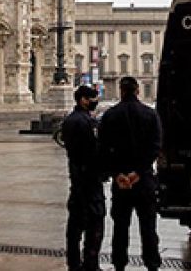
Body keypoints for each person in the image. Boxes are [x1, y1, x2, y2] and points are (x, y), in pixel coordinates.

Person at [98, 76, 161, 271]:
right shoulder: (150, 115)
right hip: (143, 181)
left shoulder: (110, 115)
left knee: (120, 227)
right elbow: (156, 147)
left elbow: (103, 148)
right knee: (148, 227)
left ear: (121, 90)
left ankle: (119, 264)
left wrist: (117, 173)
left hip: (121, 182)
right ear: (138, 90)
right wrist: (139, 172)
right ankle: (152, 264)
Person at [62, 85, 105, 271]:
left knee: (75, 226)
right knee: (94, 223)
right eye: (93, 99)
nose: (95, 102)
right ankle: (90, 263)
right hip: (89, 180)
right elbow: (93, 151)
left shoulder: (70, 120)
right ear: (83, 100)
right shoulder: (86, 122)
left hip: (77, 178)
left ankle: (73, 262)